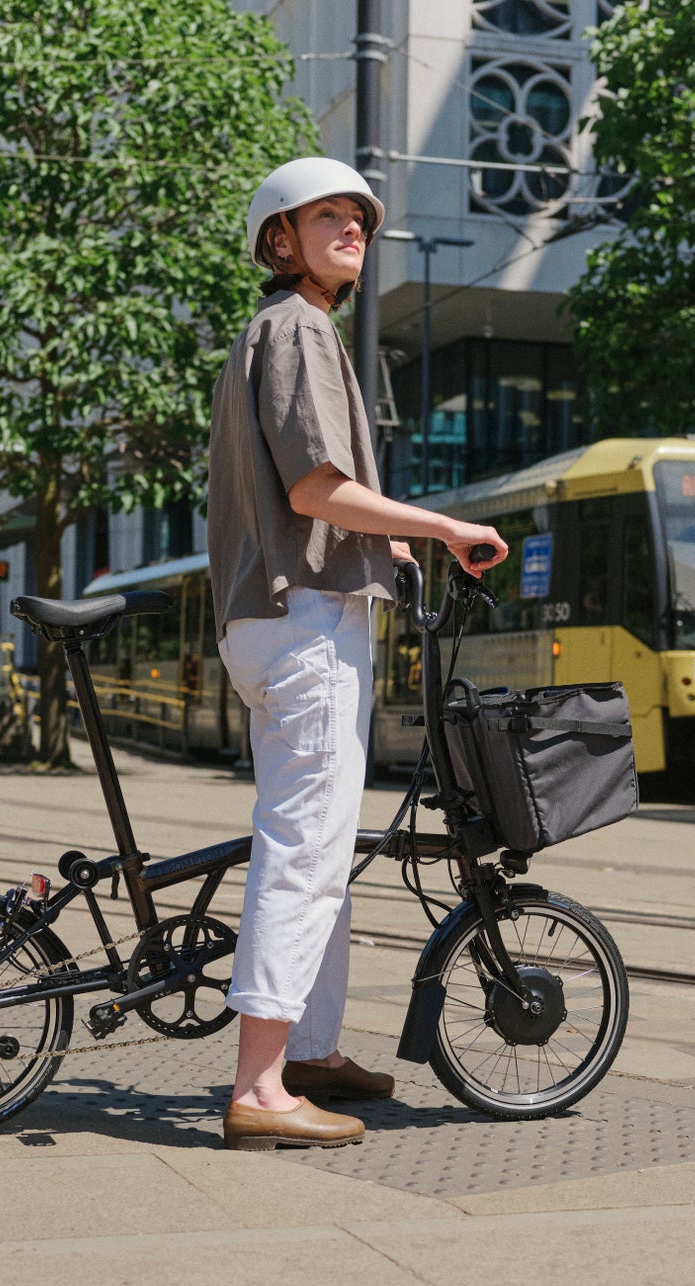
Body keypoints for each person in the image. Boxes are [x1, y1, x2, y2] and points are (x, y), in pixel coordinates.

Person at [208, 158, 507, 1152]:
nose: (351, 228)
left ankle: (310, 1049)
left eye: (360, 217)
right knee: (303, 849)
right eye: (325, 214)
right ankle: (259, 1083)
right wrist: (444, 528)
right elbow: (317, 492)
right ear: (279, 237)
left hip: (283, 619)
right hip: (302, 621)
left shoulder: (291, 332)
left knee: (323, 846)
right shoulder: (295, 329)